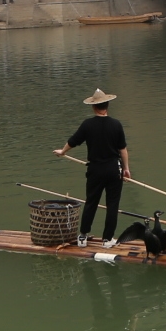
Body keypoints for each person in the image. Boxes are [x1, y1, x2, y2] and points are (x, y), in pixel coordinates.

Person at [54, 88, 129, 246]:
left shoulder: (87, 125)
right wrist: (126, 169)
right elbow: (122, 149)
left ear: (94, 107)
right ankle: (108, 239)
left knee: (91, 202)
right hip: (114, 169)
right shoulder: (116, 125)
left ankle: (82, 237)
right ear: (107, 106)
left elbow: (73, 141)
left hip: (95, 170)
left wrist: (62, 151)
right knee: (112, 205)